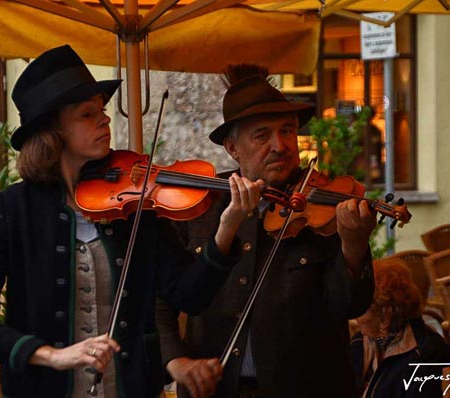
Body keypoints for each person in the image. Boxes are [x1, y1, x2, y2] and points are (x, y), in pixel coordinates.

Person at [0, 45, 263, 398]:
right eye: (87, 114)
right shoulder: (13, 210)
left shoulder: (136, 205)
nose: (105, 119)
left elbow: (188, 295)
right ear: (53, 130)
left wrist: (227, 226)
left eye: (102, 110)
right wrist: (50, 355)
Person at [156, 64, 377, 398]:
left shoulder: (320, 206)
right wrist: (175, 360)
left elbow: (349, 305)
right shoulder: (200, 207)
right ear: (232, 148)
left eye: (287, 131)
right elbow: (161, 297)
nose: (280, 145)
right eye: (262, 135)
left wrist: (354, 246)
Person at [351, 258, 450, 398]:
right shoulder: (360, 342)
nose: (354, 314)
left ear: (385, 315)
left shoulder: (429, 356)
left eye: (362, 307)